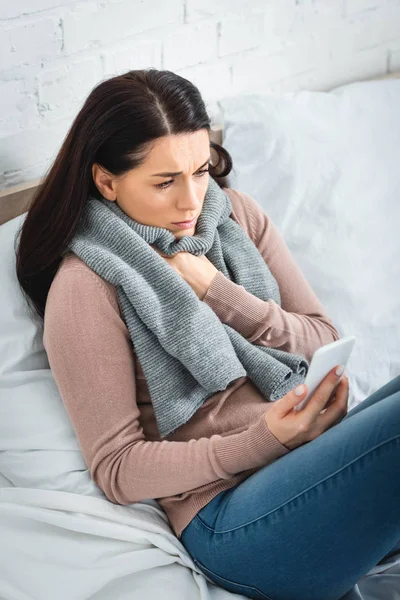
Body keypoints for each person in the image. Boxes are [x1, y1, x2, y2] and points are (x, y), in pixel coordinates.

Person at [15, 69, 400, 600]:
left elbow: (319, 335)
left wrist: (219, 291)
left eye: (199, 171)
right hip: (229, 520)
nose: (191, 201)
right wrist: (266, 438)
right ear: (107, 181)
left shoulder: (237, 216)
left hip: (310, 460)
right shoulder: (87, 285)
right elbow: (117, 469)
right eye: (164, 181)